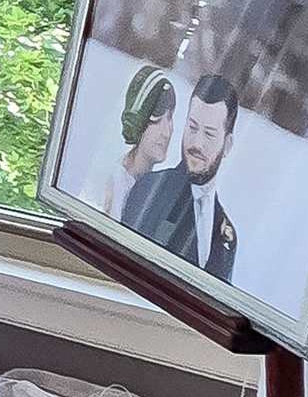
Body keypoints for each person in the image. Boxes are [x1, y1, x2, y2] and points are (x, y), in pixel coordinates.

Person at [119, 72, 241, 283]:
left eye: (209, 134)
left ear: (227, 144)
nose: (197, 144)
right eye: (192, 128)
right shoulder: (150, 189)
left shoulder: (227, 235)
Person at [103, 66, 177, 220]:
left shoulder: (155, 192)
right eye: (157, 120)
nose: (167, 132)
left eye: (170, 118)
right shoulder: (112, 183)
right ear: (139, 120)